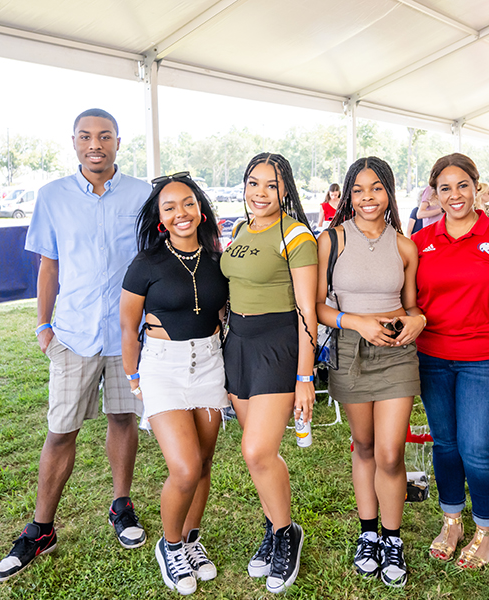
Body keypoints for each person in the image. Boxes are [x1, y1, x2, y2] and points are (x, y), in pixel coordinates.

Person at [0, 109, 152, 583]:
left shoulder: (143, 195)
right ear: (74, 142)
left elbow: (152, 259)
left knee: (122, 418)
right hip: (75, 335)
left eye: (104, 136)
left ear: (118, 142)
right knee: (61, 431)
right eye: (85, 136)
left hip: (127, 335)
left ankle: (121, 505)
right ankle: (41, 528)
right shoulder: (52, 196)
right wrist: (44, 326)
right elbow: (49, 266)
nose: (95, 144)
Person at [412, 153, 489, 570]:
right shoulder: (422, 241)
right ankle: (452, 521)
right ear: (435, 194)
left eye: (463, 185)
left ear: (477, 188)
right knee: (445, 444)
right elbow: (412, 302)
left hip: (487, 358)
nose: (455, 194)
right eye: (445, 187)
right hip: (433, 358)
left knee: (477, 448)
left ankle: (485, 529)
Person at [316, 156, 424, 588]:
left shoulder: (405, 245)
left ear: (389, 193)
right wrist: (354, 321)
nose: (366, 198)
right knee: (363, 446)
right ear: (346, 195)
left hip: (398, 352)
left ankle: (392, 539)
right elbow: (318, 307)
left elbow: (413, 305)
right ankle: (368, 534)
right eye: (357, 190)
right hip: (350, 350)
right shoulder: (333, 239)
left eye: (376, 188)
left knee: (390, 453)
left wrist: (417, 320)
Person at [120, 173, 229, 595]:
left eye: (187, 204)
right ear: (161, 218)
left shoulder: (219, 259)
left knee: (203, 464)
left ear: (200, 209)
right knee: (183, 468)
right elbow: (128, 328)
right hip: (162, 369)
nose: (180, 213)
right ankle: (170, 545)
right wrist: (134, 379)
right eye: (169, 208)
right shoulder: (146, 263)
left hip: (209, 364)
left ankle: (191, 539)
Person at [220, 152, 317, 594]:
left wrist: (304, 377)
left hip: (277, 346)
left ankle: (286, 535)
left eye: (271, 185)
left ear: (285, 190)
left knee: (258, 451)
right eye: (253, 183)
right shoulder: (240, 230)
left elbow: (306, 312)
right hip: (236, 344)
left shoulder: (296, 234)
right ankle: (274, 524)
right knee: (255, 454)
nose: (260, 193)